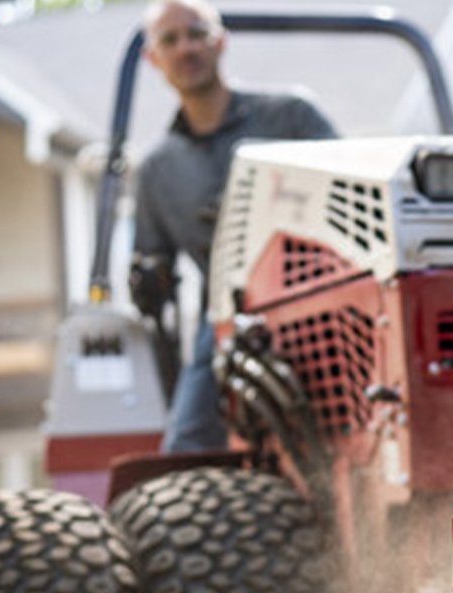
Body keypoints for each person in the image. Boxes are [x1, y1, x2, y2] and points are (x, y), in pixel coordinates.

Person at [132, 0, 338, 452]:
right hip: (228, 318)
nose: (186, 48)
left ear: (220, 41)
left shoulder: (292, 117)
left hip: (326, 298)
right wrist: (147, 279)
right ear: (153, 59)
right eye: (170, 39)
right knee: (187, 448)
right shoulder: (157, 171)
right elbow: (152, 270)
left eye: (196, 33)